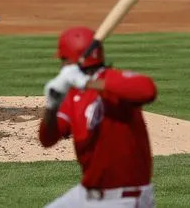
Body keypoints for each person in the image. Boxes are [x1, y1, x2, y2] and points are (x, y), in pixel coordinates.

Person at [39, 26, 158, 208]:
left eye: (63, 60)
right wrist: (51, 106)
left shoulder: (114, 81)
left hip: (125, 198)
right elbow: (47, 139)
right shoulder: (73, 96)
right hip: (86, 194)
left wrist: (88, 83)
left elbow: (148, 90)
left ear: (69, 60)